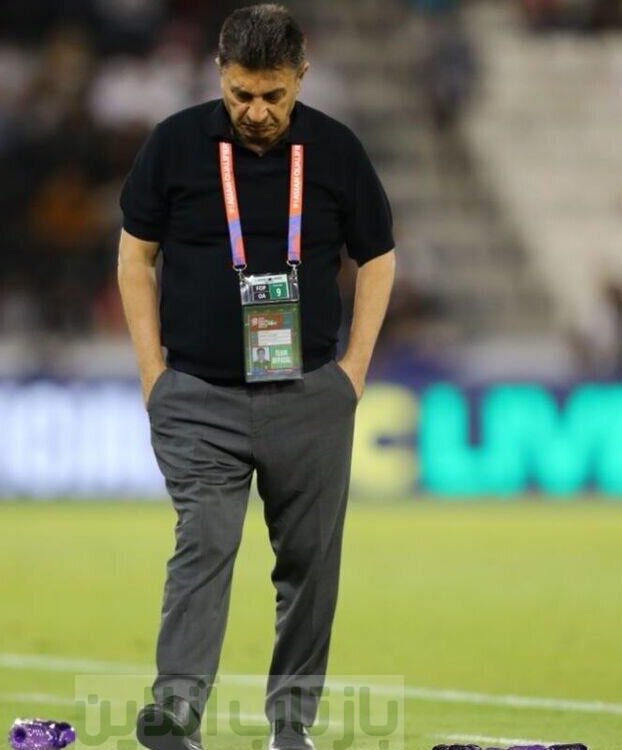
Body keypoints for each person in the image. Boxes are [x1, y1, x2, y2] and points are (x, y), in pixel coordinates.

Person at [116, 6, 396, 750]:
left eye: (273, 94)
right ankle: (175, 714)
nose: (257, 111)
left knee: (309, 566)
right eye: (242, 93)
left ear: (302, 76)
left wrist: (352, 373)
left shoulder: (336, 151)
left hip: (309, 397)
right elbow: (134, 256)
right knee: (203, 541)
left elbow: (378, 257)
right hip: (198, 397)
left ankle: (291, 726)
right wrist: (153, 376)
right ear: (220, 73)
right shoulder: (175, 145)